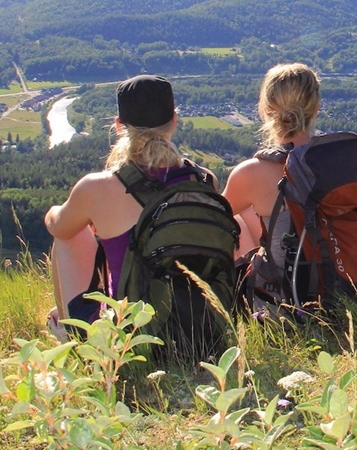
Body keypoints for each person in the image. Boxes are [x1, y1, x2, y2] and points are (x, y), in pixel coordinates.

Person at [44, 74, 214, 339]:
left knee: (66, 235)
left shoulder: (96, 188)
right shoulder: (203, 180)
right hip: (194, 330)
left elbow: (59, 227)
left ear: (119, 125)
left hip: (127, 334)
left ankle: (70, 332)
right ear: (174, 121)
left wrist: (57, 211)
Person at [222, 63, 321, 300]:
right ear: (316, 108)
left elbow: (210, 221)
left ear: (265, 110)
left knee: (235, 215)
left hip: (286, 300)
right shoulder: (342, 160)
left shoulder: (252, 173)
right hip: (348, 290)